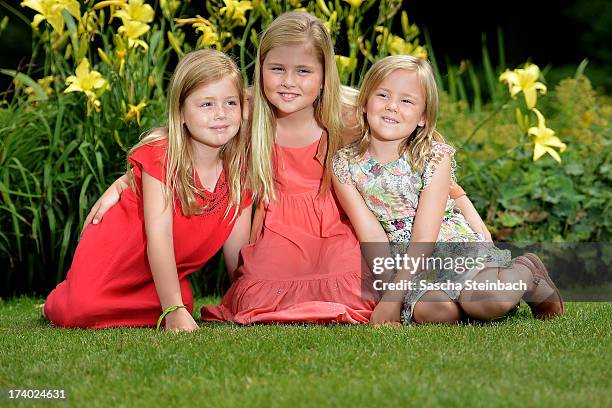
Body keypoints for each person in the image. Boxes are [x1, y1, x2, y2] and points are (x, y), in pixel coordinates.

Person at [83, 12, 491, 325]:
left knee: (352, 282)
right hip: (278, 229)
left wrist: (469, 213)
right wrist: (124, 181)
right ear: (260, 68)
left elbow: (425, 159)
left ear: (324, 75)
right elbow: (179, 134)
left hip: (340, 226)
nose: (288, 82)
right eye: (277, 69)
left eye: (303, 71)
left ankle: (472, 289)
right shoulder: (243, 110)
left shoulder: (352, 115)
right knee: (262, 288)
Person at [332, 55, 564, 325]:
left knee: (490, 301)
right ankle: (471, 305)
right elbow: (370, 232)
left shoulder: (433, 157)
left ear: (423, 117)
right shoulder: (344, 164)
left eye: (406, 100)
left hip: (452, 247)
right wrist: (389, 295)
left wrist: (394, 298)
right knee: (439, 314)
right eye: (382, 95)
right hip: (405, 264)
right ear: (364, 103)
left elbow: (425, 235)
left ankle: (527, 272)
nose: (392, 106)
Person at [43, 49, 252, 330]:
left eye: (230, 103)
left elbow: (237, 252)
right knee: (80, 312)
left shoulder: (241, 170)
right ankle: (60, 298)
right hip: (115, 253)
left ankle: (170, 298)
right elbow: (160, 235)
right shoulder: (161, 154)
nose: (221, 114)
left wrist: (245, 297)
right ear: (180, 112)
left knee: (184, 300)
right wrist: (173, 308)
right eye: (206, 105)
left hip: (159, 270)